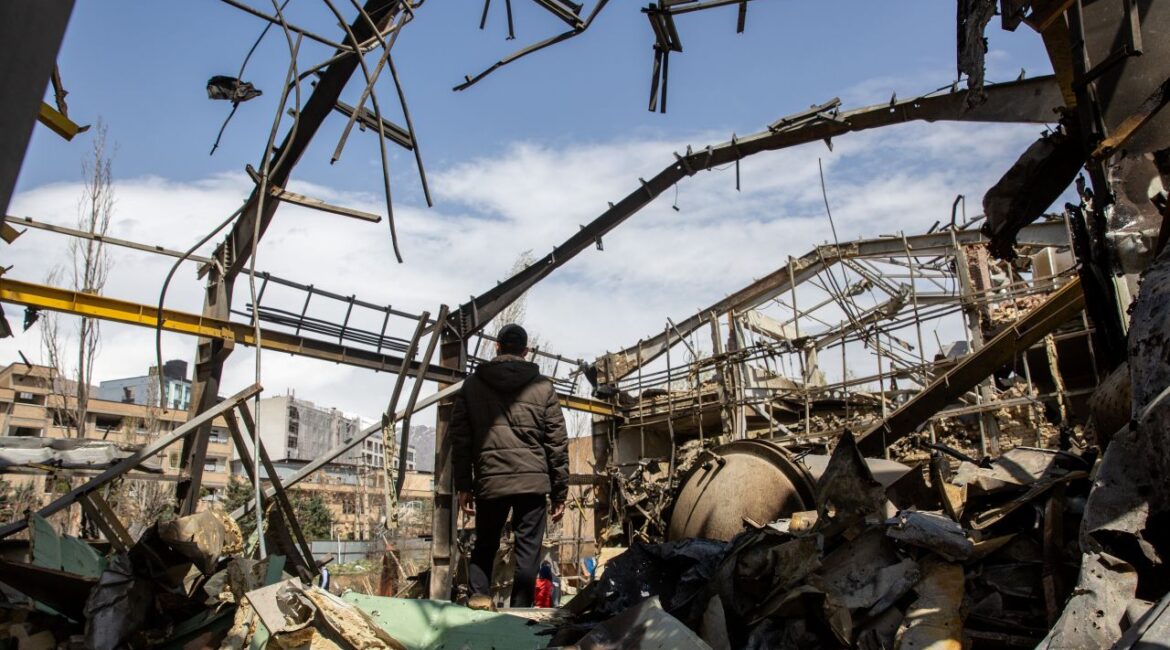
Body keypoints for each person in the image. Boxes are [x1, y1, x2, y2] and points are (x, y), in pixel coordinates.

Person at [451, 323, 568, 608]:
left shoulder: (473, 385)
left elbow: (460, 439)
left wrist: (464, 485)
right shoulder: (543, 388)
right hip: (532, 483)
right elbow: (557, 442)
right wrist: (559, 493)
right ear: (526, 351)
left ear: (497, 347)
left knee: (485, 545)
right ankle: (519, 609)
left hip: (491, 481)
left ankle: (479, 597)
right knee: (527, 553)